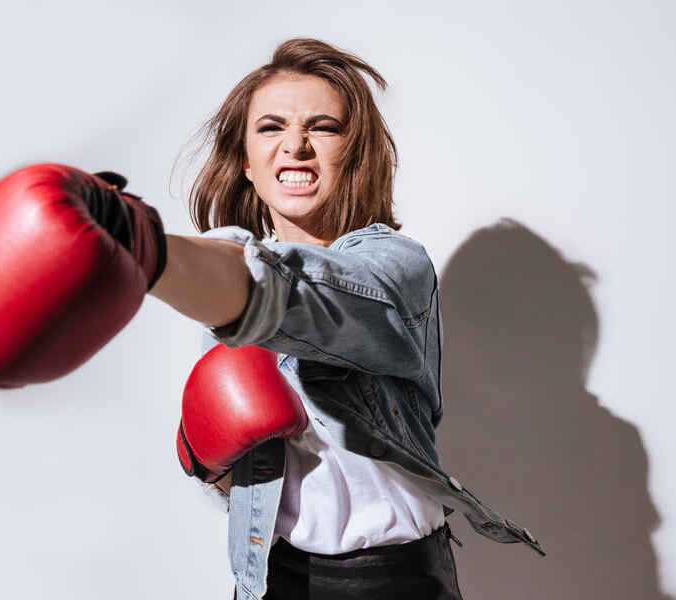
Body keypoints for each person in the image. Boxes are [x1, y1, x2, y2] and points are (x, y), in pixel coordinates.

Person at [148, 38, 544, 600]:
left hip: (393, 580)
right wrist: (213, 462)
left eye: (324, 127)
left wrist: (142, 248)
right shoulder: (221, 292)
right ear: (247, 163)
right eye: (271, 128)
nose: (296, 146)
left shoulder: (394, 268)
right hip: (266, 576)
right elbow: (254, 477)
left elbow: (295, 291)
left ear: (354, 153)